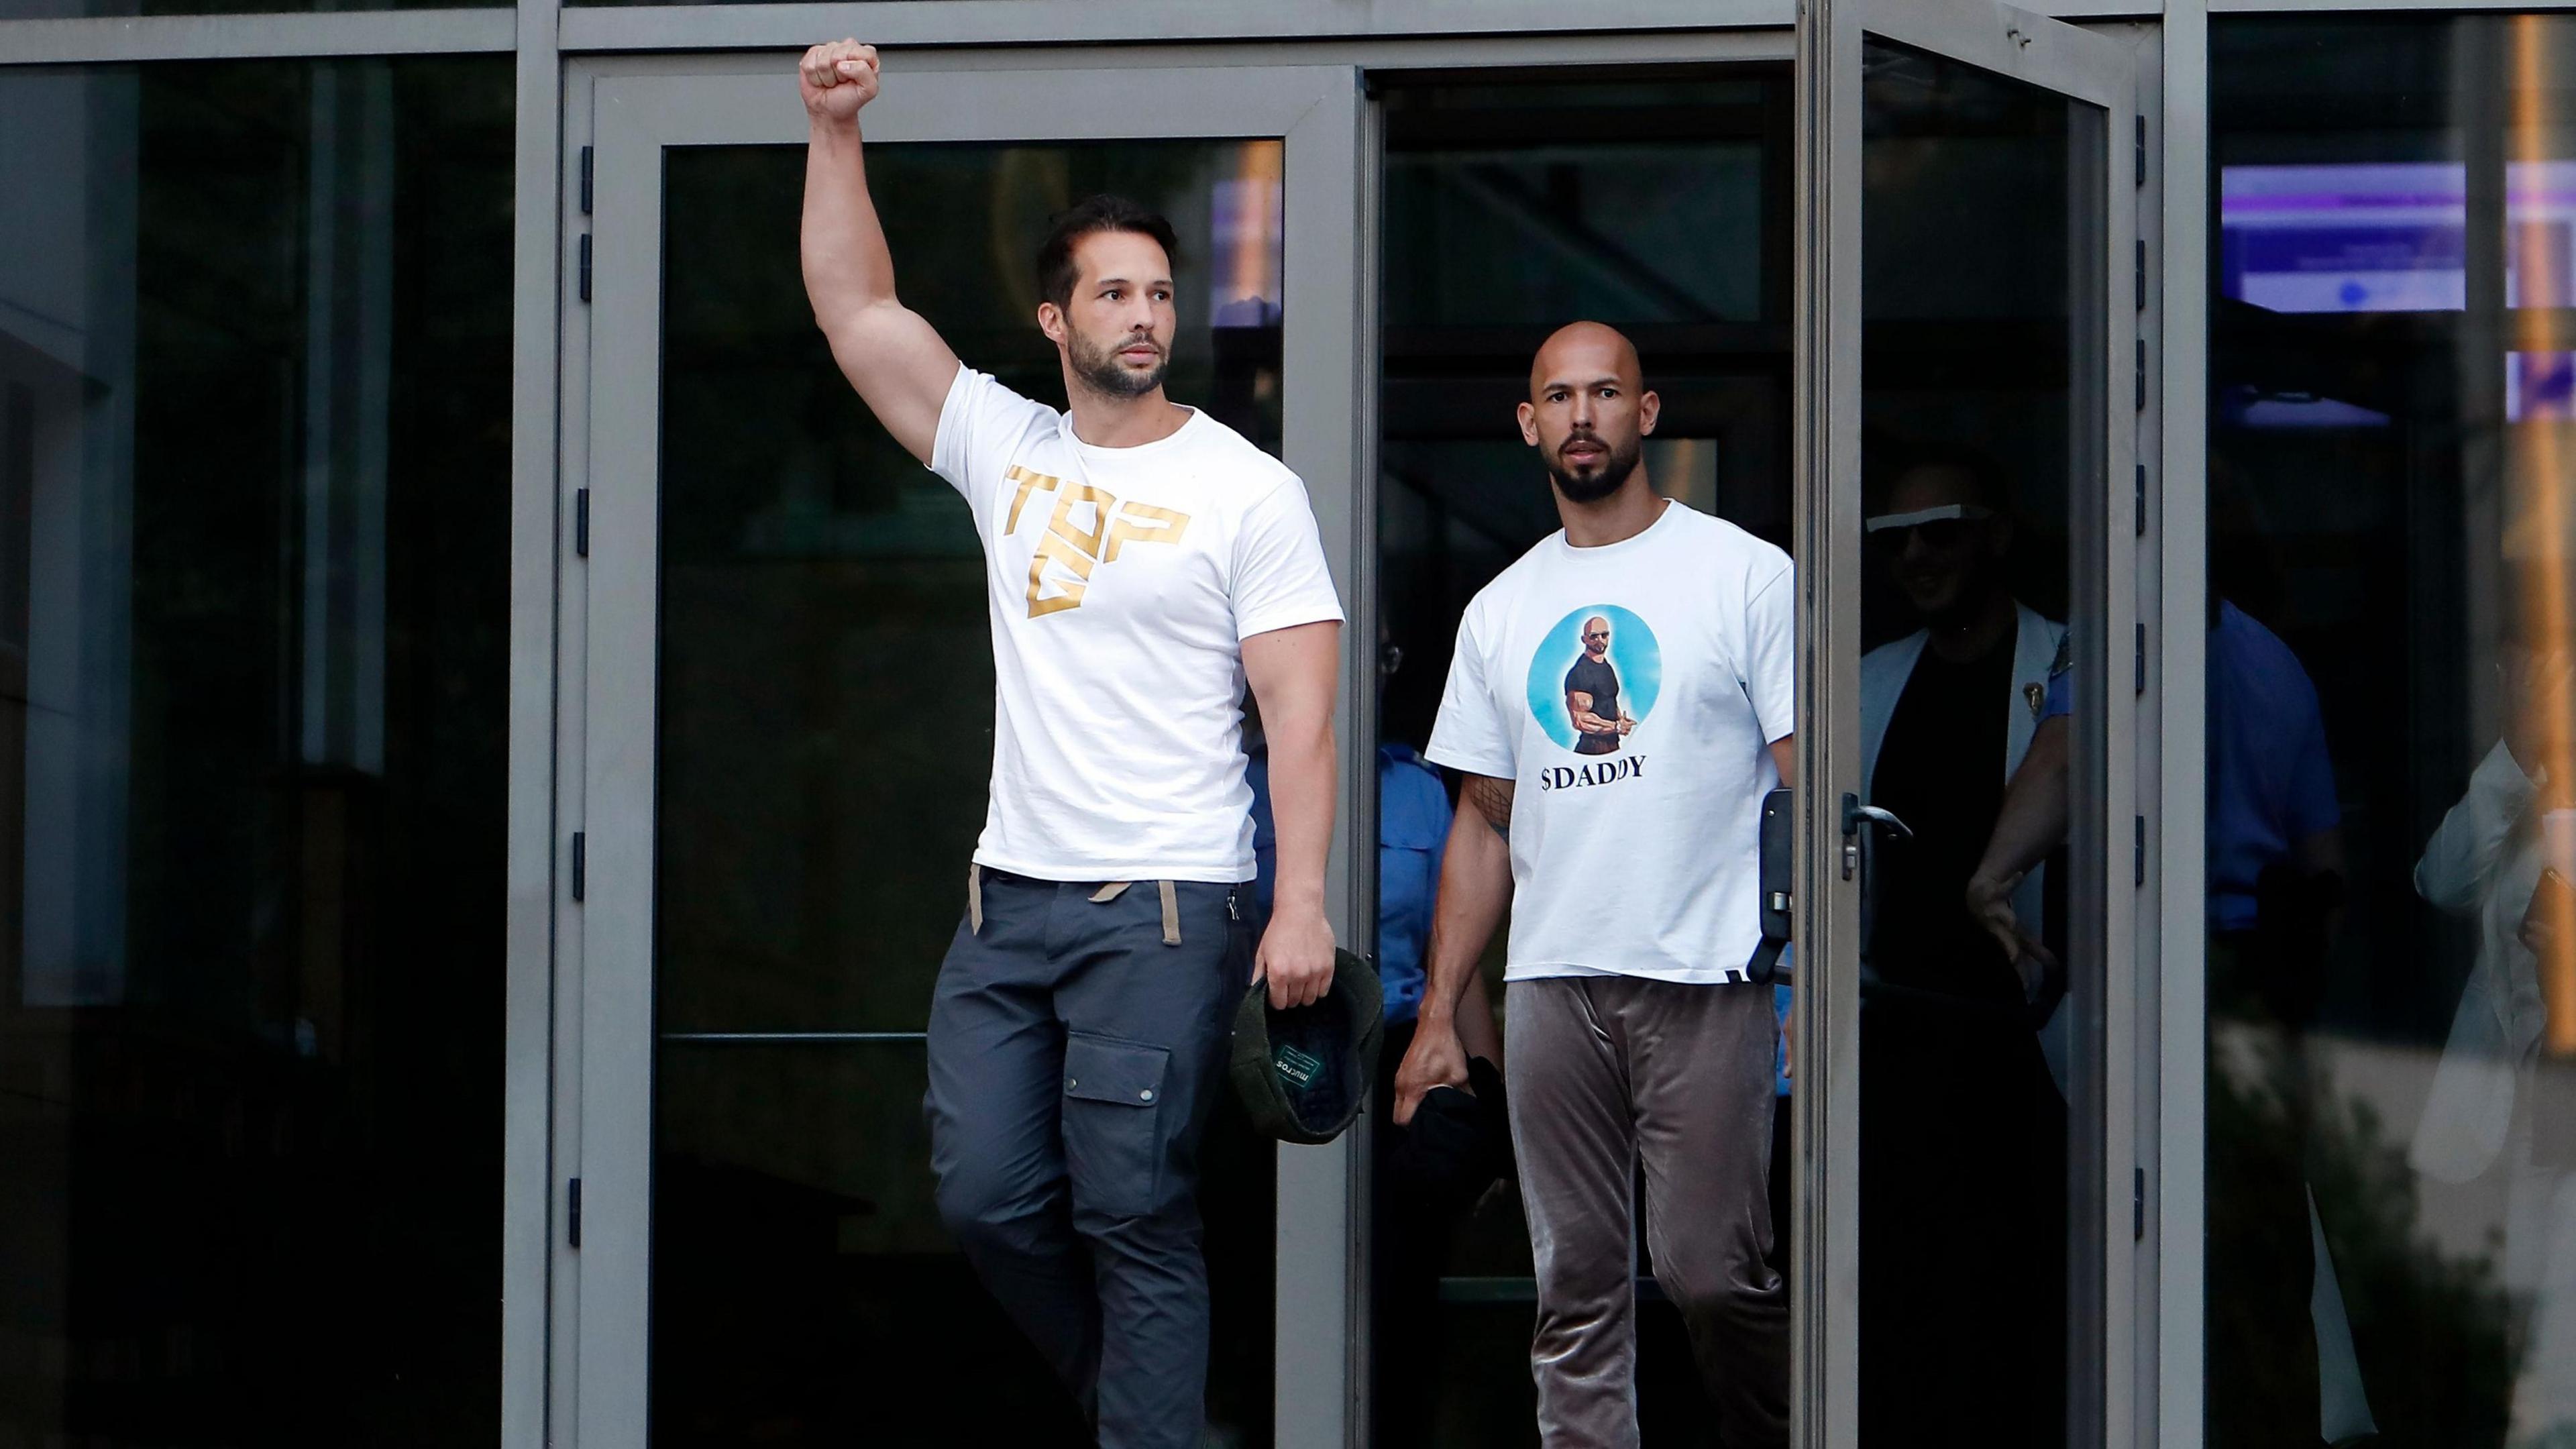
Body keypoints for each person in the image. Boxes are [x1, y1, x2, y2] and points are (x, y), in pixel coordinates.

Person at [797, 42, 1344, 1449]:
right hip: (1007, 905)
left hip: (1166, 905)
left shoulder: (1248, 489)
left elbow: (1302, 715)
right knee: (985, 1193)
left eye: (1162, 292)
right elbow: (856, 310)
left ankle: (1151, 1432)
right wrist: (833, 128)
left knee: (1133, 1207)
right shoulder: (1010, 448)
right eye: (1115, 291)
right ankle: (1154, 1418)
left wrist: (1300, 903)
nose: (1145, 314)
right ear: (1057, 318)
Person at [1392, 320, 1793, 1448]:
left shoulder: (1744, 574)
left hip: (1707, 974)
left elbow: (1807, 794)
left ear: (1646, 413)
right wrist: (1439, 1015)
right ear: (1530, 425)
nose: (1582, 415)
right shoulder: (1502, 609)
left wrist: (1802, 971)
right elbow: (1480, 822)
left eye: (1605, 393)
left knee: (1713, 1273)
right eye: (1559, 398)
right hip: (1556, 985)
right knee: (1574, 1294)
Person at [1851, 451, 2069, 1448]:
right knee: (1909, 1309)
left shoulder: (2071, 666)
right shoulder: (1866, 686)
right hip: (1897, 1049)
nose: (1918, 558)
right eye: (1897, 541)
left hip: (2035, 1048)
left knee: (2032, 1305)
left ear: (1997, 534)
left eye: (1941, 531)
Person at [1564, 614, 1635, 755]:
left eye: (1604, 635)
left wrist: (1621, 719)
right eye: (1594, 636)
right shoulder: (1580, 673)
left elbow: (1609, 699)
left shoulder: (1606, 666)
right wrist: (1616, 726)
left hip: (1612, 745)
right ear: (1584, 640)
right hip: (1591, 748)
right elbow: (1580, 720)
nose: (1600, 641)